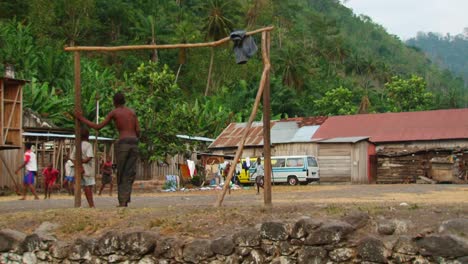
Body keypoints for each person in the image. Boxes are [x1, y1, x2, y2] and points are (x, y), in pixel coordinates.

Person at [75, 92, 140, 207]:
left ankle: (123, 201)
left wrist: (81, 118)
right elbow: (138, 130)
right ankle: (125, 199)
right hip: (134, 142)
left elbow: (98, 127)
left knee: (121, 172)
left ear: (114, 102)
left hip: (124, 142)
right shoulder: (132, 113)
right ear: (124, 101)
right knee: (129, 173)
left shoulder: (114, 112)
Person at [71, 128, 95, 208]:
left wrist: (78, 165)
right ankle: (91, 205)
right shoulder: (88, 145)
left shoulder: (77, 145)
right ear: (87, 136)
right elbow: (89, 157)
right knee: (88, 187)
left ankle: (80, 204)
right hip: (87, 169)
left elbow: (72, 157)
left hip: (79, 169)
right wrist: (82, 162)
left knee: (81, 186)